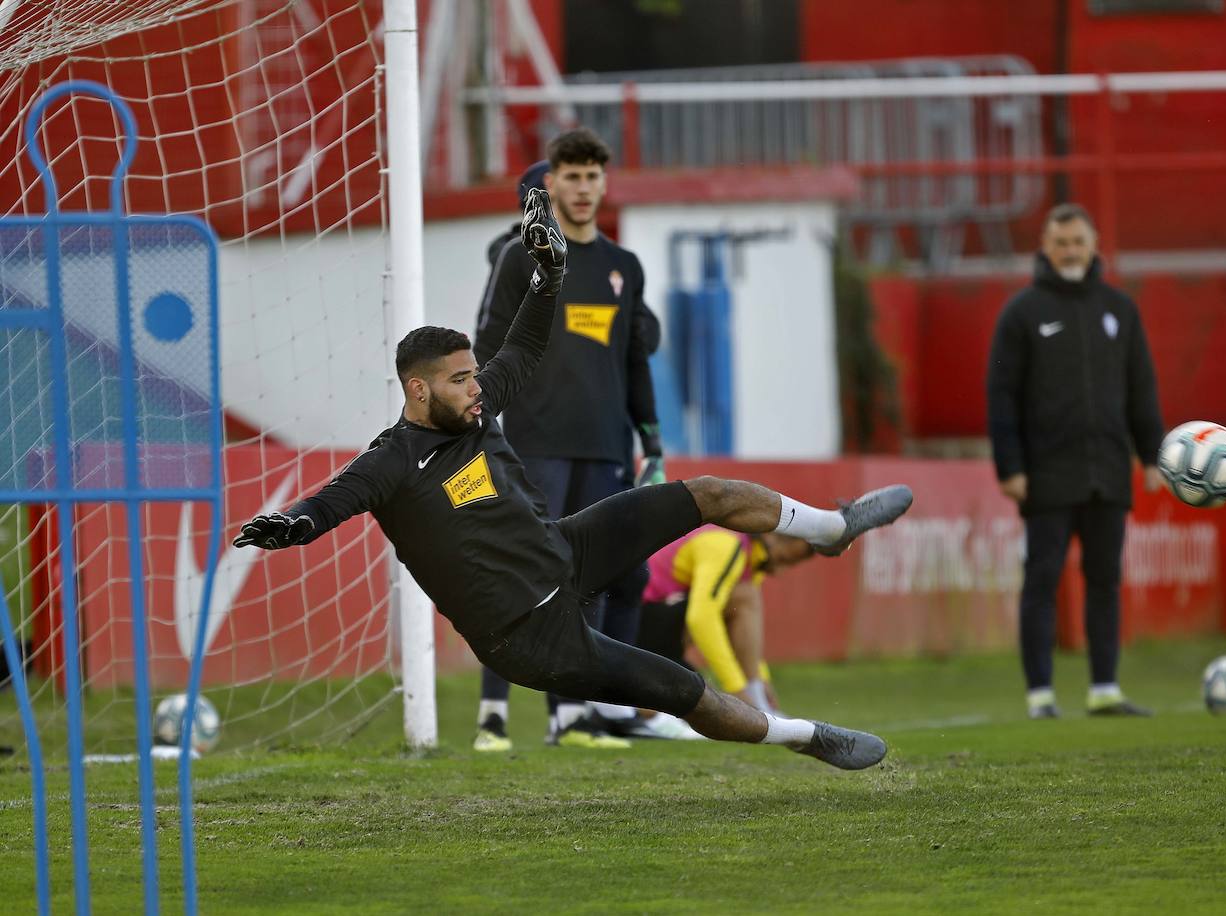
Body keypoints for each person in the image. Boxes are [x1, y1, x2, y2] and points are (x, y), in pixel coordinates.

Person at [234, 188, 911, 770]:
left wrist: (548, 276)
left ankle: (829, 528)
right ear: (417, 390)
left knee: (708, 493)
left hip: (567, 551)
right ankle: (806, 737)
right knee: (684, 688)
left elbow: (523, 346)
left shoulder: (475, 405)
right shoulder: (391, 460)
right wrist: (293, 525)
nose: (477, 389)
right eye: (459, 380)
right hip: (528, 635)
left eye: (475, 375)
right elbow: (333, 501)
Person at [470, 129, 664, 751]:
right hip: (537, 441)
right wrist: (488, 425)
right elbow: (486, 345)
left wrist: (651, 440)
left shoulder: (623, 267)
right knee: (534, 574)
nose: (582, 188)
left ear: (605, 184)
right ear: (550, 183)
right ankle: (494, 715)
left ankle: (577, 715)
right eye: (570, 177)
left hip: (607, 446)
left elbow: (637, 358)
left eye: (592, 177)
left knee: (596, 577)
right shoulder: (519, 257)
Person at [986, 203, 1165, 720]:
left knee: (1105, 579)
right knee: (1041, 580)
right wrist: (1010, 466)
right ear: (1045, 246)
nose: (1070, 251)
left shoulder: (1120, 310)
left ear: (1094, 245)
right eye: (1061, 242)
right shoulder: (1022, 313)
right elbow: (1001, 394)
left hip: (1108, 469)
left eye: (1078, 242)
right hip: (1045, 473)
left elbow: (1141, 388)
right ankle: (1040, 695)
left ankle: (1104, 688)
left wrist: (1151, 455)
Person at [636, 527, 817, 733]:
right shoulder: (725, 544)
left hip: (655, 624)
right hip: (639, 623)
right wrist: (736, 687)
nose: (779, 571)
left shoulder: (748, 555)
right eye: (783, 559)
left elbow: (743, 632)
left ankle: (757, 701)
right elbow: (702, 618)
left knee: (694, 697)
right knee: (743, 596)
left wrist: (759, 677)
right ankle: (756, 704)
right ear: (768, 536)